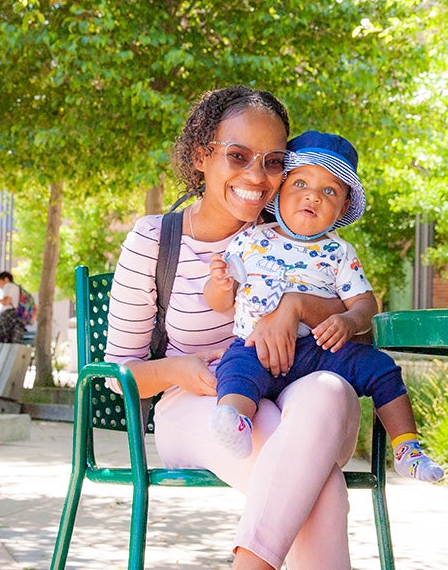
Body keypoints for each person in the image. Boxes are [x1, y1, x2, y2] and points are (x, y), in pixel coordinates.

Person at [106, 85, 363, 570]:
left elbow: (361, 327)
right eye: (239, 155)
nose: (257, 176)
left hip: (299, 398)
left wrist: (296, 305)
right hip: (200, 406)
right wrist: (177, 371)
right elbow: (117, 374)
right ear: (203, 155)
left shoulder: (296, 231)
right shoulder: (154, 241)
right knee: (318, 483)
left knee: (329, 388)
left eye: (273, 162)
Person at [204, 131, 443, 483]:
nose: (312, 196)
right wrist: (220, 285)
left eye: (329, 190)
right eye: (300, 183)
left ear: (343, 207)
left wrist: (349, 321)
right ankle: (235, 422)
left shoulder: (339, 253)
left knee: (382, 368)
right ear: (280, 190)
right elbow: (219, 303)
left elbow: (365, 304)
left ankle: (407, 448)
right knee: (235, 369)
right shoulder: (252, 240)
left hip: (319, 350)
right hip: (257, 347)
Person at [0, 271, 23, 343]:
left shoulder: (8, 286)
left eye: (0, 282)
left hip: (7, 314)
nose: (0, 285)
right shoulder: (16, 287)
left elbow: (6, 301)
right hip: (15, 316)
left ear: (6, 279)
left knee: (0, 336)